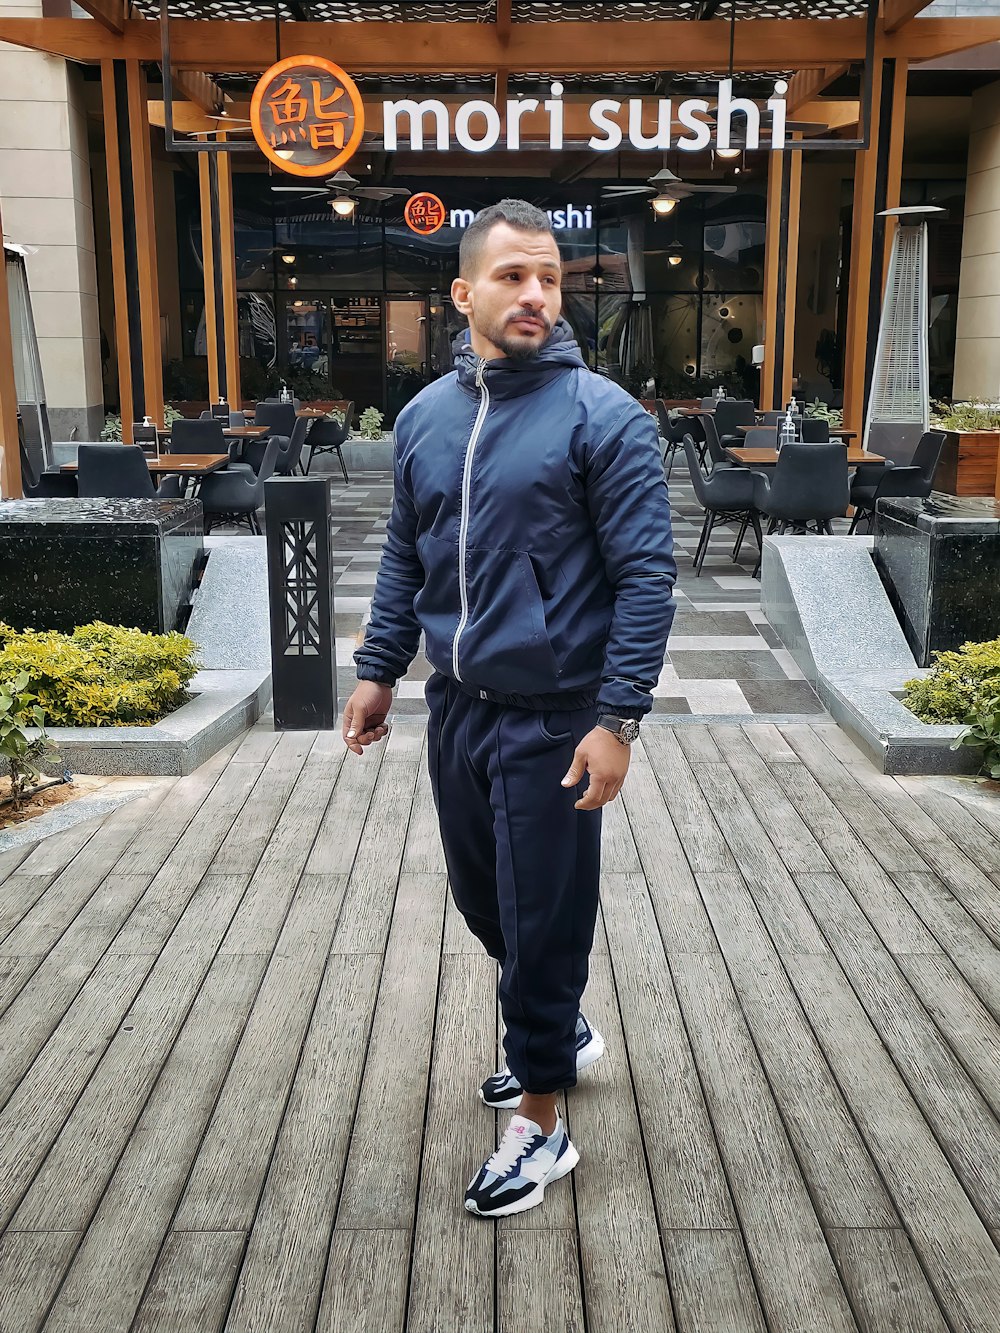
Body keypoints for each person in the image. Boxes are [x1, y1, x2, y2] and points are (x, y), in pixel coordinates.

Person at [343, 199, 676, 1218]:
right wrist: (379, 666)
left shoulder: (602, 417)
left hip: (558, 714)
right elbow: (409, 549)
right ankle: (560, 1024)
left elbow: (647, 578)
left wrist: (616, 718)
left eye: (549, 277)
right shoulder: (423, 420)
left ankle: (542, 1116)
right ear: (464, 293)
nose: (535, 293)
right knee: (483, 899)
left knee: (542, 917)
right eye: (511, 276)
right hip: (458, 705)